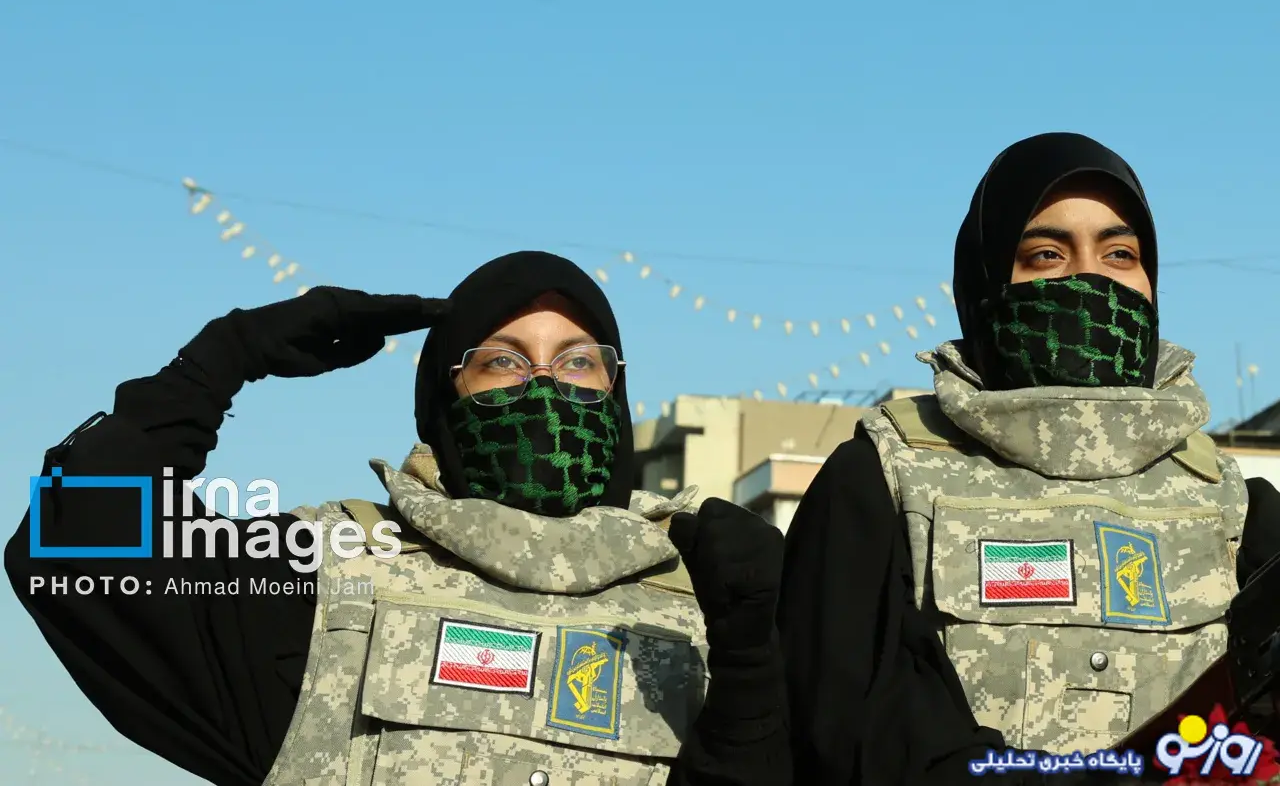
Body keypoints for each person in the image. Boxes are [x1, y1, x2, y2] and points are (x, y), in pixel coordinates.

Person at [6, 250, 789, 786]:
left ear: (616, 393)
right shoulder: (331, 572)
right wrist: (224, 357)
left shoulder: (706, 602)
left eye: (578, 360)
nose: (545, 386)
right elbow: (75, 542)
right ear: (444, 395)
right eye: (503, 360)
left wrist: (754, 651)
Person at [776, 132, 1280, 785]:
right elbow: (857, 737)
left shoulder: (1234, 505)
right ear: (985, 280)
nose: (1089, 279)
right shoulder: (882, 480)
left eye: (1120, 253)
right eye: (1047, 254)